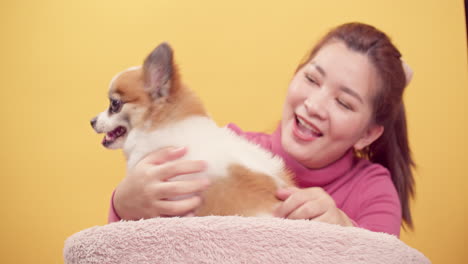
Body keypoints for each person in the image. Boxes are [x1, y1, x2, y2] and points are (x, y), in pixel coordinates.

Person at [109, 22, 415, 237]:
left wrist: (345, 230)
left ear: (368, 134)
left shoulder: (373, 191)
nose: (314, 105)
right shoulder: (226, 146)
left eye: (344, 103)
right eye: (311, 79)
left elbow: (380, 255)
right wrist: (123, 204)